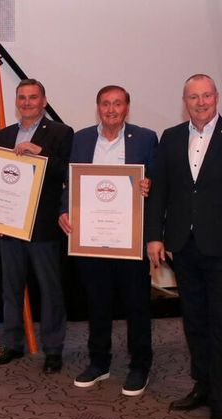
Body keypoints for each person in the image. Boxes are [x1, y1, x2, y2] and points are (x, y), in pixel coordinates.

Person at [145, 74, 222, 419]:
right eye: (194, 97)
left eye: (207, 95)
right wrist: (154, 237)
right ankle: (202, 385)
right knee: (194, 321)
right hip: (183, 247)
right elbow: (160, 190)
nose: (201, 102)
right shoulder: (171, 137)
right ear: (185, 100)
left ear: (217, 97)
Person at [58, 85, 156, 396]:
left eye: (117, 104)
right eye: (105, 104)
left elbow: (159, 180)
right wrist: (64, 210)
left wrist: (149, 185)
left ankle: (140, 365)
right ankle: (99, 362)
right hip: (92, 238)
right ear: (97, 107)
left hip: (130, 239)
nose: (111, 109)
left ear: (127, 108)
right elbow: (70, 182)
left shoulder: (145, 138)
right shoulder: (82, 138)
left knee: (136, 305)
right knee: (97, 303)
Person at [0, 79, 73, 374]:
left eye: (33, 97)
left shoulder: (61, 132)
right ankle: (12, 343)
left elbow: (68, 172)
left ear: (44, 100)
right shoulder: (4, 134)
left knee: (50, 290)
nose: (27, 103)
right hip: (10, 224)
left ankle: (53, 349)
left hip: (43, 226)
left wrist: (42, 155)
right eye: (22, 98)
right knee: (11, 288)